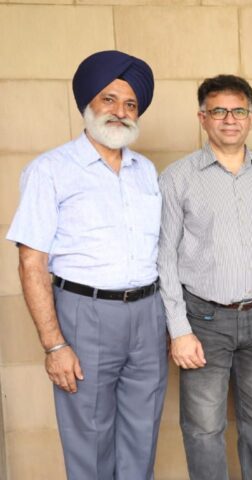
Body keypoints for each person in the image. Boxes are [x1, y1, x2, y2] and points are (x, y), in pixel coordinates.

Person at [6, 50, 165, 479]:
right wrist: (54, 345)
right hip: (85, 314)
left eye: (130, 103)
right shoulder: (51, 170)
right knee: (89, 439)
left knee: (143, 433)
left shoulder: (146, 171)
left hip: (148, 315)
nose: (120, 112)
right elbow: (31, 261)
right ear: (88, 103)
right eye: (109, 99)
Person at [158, 74, 252, 480]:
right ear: (202, 118)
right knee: (203, 428)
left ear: (251, 118)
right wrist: (179, 330)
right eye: (218, 111)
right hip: (203, 321)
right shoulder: (178, 177)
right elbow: (164, 257)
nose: (229, 119)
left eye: (238, 111)